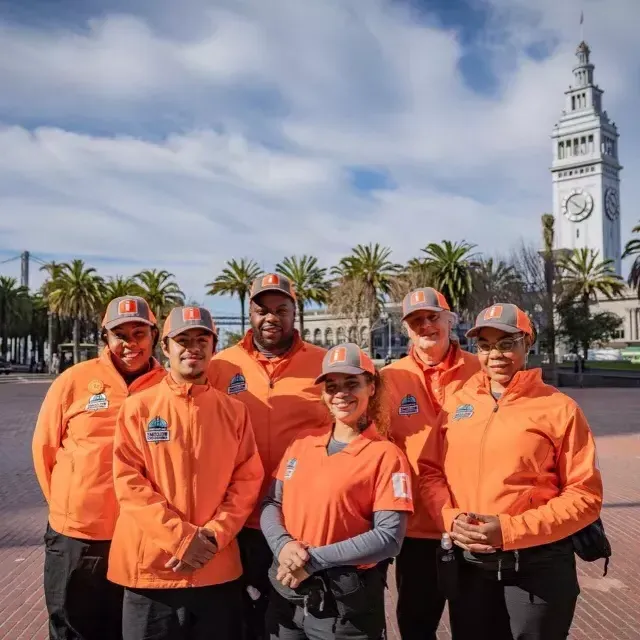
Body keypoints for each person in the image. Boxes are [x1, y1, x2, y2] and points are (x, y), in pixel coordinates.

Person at [420, 303, 603, 640]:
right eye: (486, 345)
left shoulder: (559, 408)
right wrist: (450, 517)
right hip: (470, 566)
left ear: (527, 344)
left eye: (507, 343)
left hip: (537, 567)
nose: (496, 355)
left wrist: (509, 530)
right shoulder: (457, 404)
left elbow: (585, 495)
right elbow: (430, 473)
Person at [108, 305, 264, 640]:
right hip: (151, 571)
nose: (192, 347)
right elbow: (129, 482)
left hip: (216, 569)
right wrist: (180, 539)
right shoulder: (138, 408)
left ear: (213, 347)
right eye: (182, 339)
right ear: (165, 347)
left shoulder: (234, 412)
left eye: (201, 339)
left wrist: (212, 537)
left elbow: (247, 481)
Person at [32, 296, 166, 640]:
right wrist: (69, 506)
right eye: (119, 334)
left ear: (154, 335)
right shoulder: (74, 380)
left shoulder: (170, 387)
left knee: (130, 628)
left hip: (140, 536)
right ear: (105, 338)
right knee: (71, 627)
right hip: (78, 536)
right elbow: (44, 448)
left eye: (139, 332)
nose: (130, 343)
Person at [261, 343, 414, 639]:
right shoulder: (303, 442)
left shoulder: (386, 455)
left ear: (371, 387)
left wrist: (313, 560)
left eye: (351, 383)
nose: (341, 393)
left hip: (345, 605)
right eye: (332, 386)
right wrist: (283, 546)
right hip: (289, 595)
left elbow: (388, 537)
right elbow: (271, 502)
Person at [208, 272, 330, 639]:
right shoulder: (221, 366)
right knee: (242, 619)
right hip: (238, 520)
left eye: (281, 309)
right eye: (262, 310)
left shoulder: (324, 365)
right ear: (250, 313)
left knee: (294, 620)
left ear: (295, 312)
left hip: (300, 524)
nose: (271, 317)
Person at [380, 287, 479, 639]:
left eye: (433, 317)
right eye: (415, 320)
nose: (426, 326)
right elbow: (376, 448)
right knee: (416, 625)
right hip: (417, 528)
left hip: (474, 524)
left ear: (450, 319)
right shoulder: (389, 378)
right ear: (406, 328)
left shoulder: (481, 369)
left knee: (477, 625)